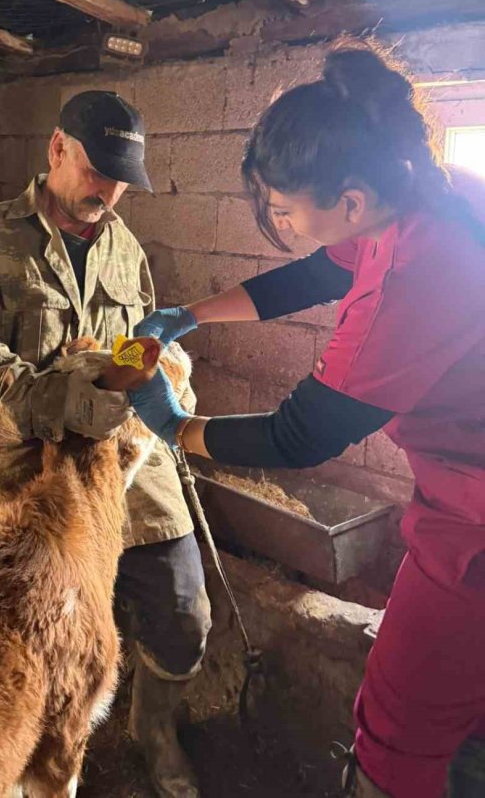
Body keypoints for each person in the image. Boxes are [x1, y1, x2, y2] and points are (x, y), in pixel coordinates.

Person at [124, 47, 485, 798]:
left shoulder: (411, 284)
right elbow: (322, 270)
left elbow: (300, 435)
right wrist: (194, 314)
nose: (280, 222)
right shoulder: (425, 195)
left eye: (285, 209)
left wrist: (178, 424)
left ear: (349, 201)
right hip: (465, 477)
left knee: (396, 723)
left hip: (474, 518)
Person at [0, 90, 211, 798]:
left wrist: (158, 367)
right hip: (31, 457)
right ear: (57, 148)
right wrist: (55, 398)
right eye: (98, 170)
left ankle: (153, 729)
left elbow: (136, 339)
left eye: (123, 178)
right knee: (0, 629)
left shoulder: (126, 246)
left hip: (125, 457)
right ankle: (13, 752)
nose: (110, 191)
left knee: (186, 611)